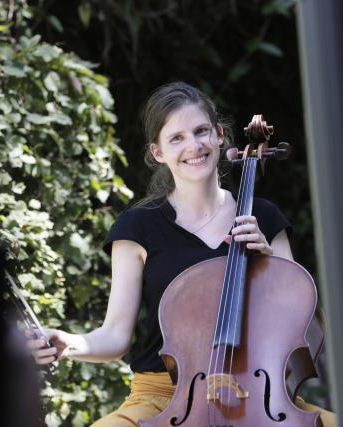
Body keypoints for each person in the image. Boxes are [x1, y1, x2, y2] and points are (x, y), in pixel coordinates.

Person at [28, 82, 336, 427]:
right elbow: (115, 335)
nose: (194, 146)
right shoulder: (137, 228)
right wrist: (68, 342)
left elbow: (302, 323)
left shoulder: (263, 218)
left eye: (201, 131)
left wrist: (270, 265)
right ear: (158, 152)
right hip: (162, 397)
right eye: (177, 138)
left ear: (220, 135)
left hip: (259, 391)